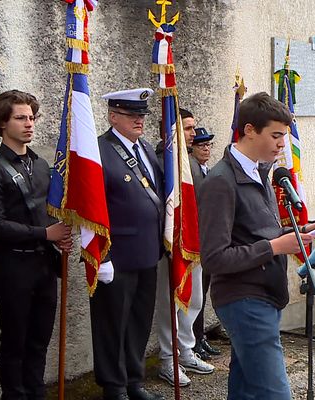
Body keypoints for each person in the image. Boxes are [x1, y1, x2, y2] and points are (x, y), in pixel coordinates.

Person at [198, 92, 315, 398]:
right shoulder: (221, 181)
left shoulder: (260, 172)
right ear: (249, 130)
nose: (282, 144)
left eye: (283, 136)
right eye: (275, 135)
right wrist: (275, 247)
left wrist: (300, 231)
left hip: (265, 296)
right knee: (275, 392)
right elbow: (215, 258)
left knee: (245, 389)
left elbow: (258, 231)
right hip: (243, 299)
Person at [0, 90, 72, 399]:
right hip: (12, 266)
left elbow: (49, 215)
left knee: (39, 341)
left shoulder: (40, 165)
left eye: (32, 118)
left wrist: (60, 236)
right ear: (2, 123)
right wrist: (45, 235)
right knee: (15, 342)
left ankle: (37, 393)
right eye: (21, 118)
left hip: (43, 266)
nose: (29, 124)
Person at [91, 88, 165, 400]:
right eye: (131, 115)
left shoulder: (145, 148)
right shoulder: (99, 152)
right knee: (112, 325)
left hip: (148, 252)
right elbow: (91, 208)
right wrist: (100, 255)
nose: (139, 120)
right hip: (115, 256)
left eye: (142, 115)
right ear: (113, 116)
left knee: (138, 322)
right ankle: (114, 386)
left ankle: (134, 381)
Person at [155, 111, 215, 388]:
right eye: (186, 129)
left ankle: (186, 351)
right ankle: (169, 359)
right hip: (172, 243)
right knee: (172, 304)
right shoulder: (162, 161)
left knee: (195, 300)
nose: (192, 133)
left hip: (195, 242)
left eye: (192, 128)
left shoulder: (190, 162)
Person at [189, 127, 222, 360]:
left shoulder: (206, 169)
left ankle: (200, 337)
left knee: (202, 292)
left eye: (209, 145)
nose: (206, 149)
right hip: (194, 240)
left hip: (207, 240)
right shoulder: (191, 170)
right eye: (202, 145)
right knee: (194, 295)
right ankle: (193, 340)